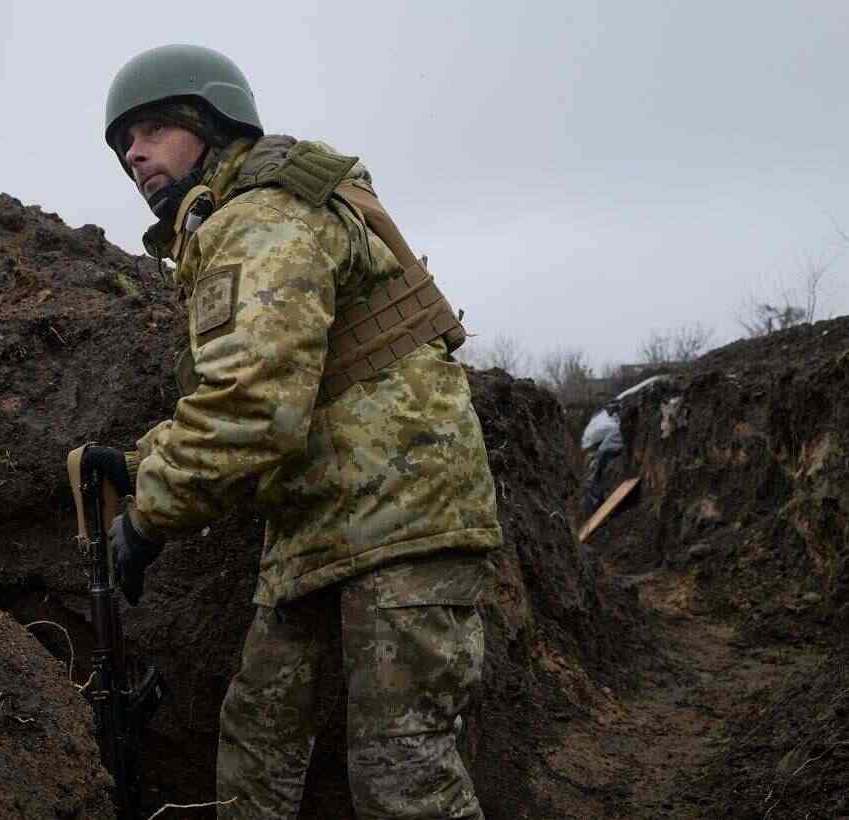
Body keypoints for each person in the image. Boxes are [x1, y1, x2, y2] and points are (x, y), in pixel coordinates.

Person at [83, 44, 503, 819]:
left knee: (403, 784)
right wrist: (143, 464)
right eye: (123, 145)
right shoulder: (236, 223)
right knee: (257, 753)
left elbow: (253, 408)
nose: (134, 154)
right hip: (322, 523)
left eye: (151, 130)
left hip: (401, 519)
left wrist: (147, 519)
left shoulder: (263, 219)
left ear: (211, 124)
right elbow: (260, 385)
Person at [582, 400, 624, 514]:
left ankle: (594, 507)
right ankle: (594, 507)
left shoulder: (613, 424)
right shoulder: (611, 424)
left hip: (604, 451)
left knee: (595, 479)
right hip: (604, 452)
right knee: (595, 479)